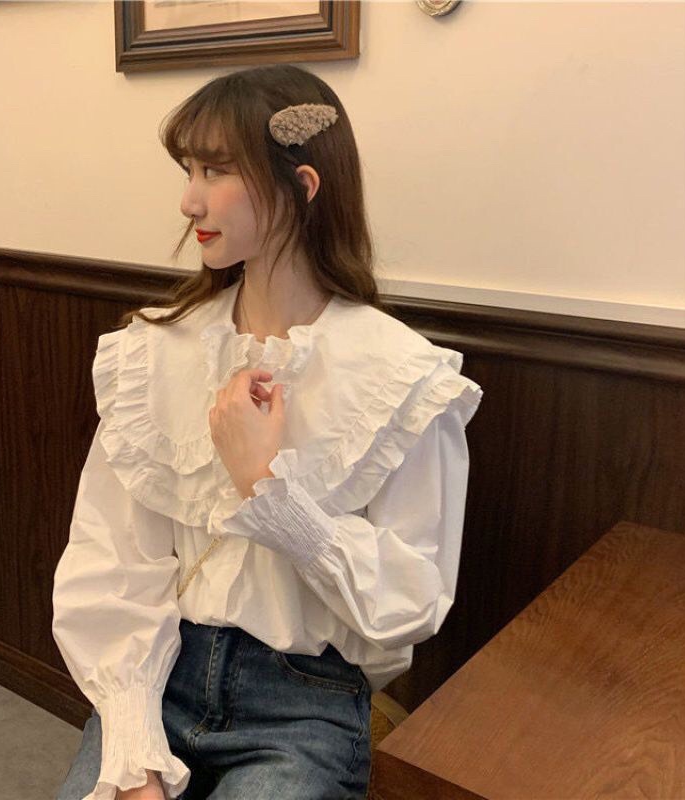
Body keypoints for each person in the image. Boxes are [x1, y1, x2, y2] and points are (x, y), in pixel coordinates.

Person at [52, 64, 483, 800]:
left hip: (304, 706)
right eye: (189, 169)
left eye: (216, 170)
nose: (189, 200)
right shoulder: (157, 353)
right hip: (157, 675)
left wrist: (269, 491)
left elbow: (410, 603)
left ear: (302, 186)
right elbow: (110, 556)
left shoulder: (400, 379)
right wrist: (131, 747)